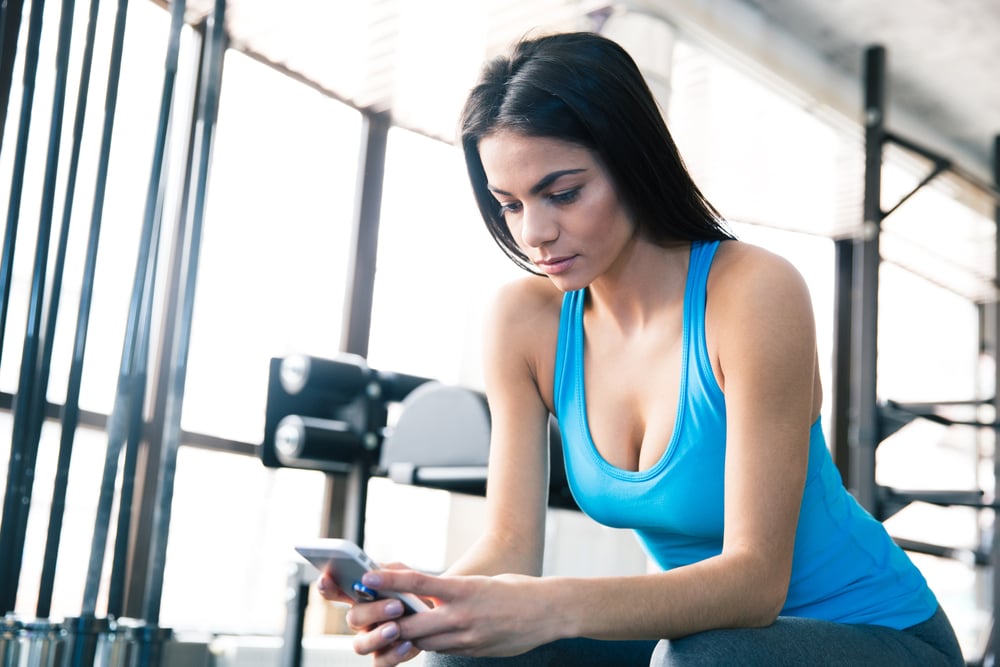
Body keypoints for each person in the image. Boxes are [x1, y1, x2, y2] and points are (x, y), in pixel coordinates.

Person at [318, 31, 965, 666]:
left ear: (633, 163)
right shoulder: (525, 319)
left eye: (563, 193)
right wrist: (440, 603)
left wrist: (545, 607)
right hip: (700, 642)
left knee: (699, 657)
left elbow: (753, 584)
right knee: (469, 658)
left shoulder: (753, 293)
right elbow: (510, 547)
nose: (534, 233)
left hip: (878, 635)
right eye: (508, 204)